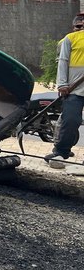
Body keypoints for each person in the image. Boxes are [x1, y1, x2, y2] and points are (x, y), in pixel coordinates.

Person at [45, 13, 84, 164]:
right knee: (71, 120)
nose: (81, 29)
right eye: (79, 26)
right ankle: (62, 151)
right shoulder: (69, 39)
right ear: (73, 27)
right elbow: (62, 61)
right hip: (74, 90)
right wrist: (62, 84)